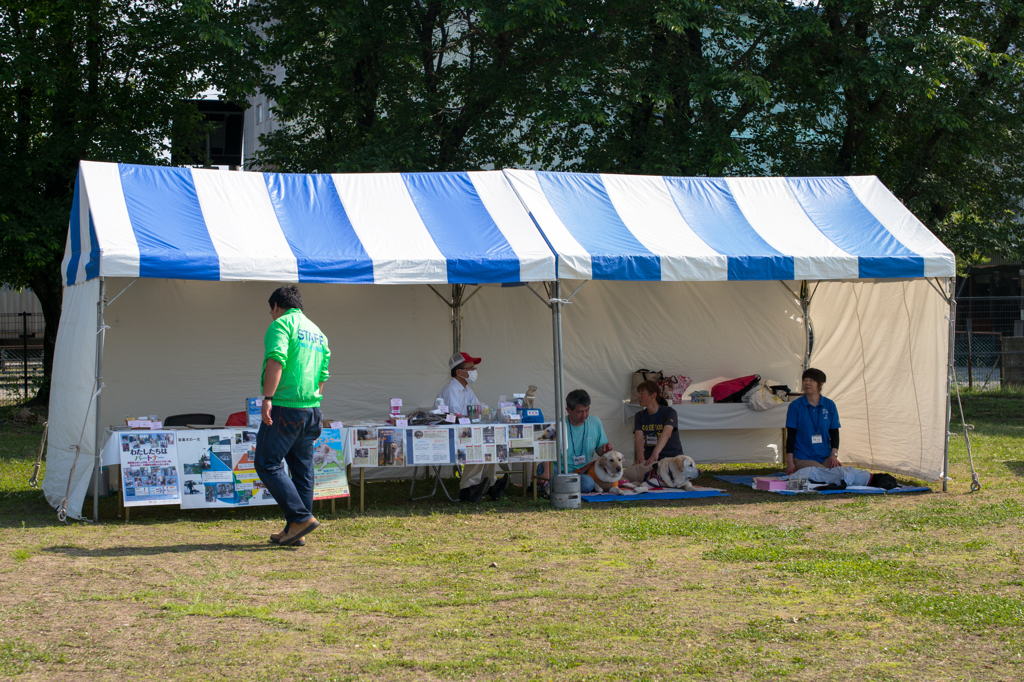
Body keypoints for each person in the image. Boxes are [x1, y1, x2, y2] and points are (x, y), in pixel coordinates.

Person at [254, 285, 330, 547]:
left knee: (267, 463)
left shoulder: (281, 325)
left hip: (286, 407)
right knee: (302, 471)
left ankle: (299, 519)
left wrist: (267, 398)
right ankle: (296, 530)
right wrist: (310, 402)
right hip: (311, 410)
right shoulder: (318, 333)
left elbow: (276, 360)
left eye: (271, 310)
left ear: (276, 306)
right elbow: (323, 377)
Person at [437, 351, 509, 503]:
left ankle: (490, 483)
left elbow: (480, 409)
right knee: (478, 444)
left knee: (489, 442)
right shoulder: (451, 389)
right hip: (449, 434)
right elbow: (454, 417)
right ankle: (468, 488)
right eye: (470, 368)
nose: (474, 371)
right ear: (459, 371)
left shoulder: (466, 389)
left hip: (464, 432)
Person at [540, 389, 613, 494]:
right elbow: (544, 451)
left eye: (587, 410)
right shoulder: (556, 425)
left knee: (588, 484)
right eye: (579, 412)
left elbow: (600, 451)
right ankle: (562, 487)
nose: (584, 415)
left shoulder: (595, 422)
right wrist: (546, 471)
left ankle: (556, 488)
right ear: (568, 410)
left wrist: (604, 450)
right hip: (558, 470)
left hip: (581, 473)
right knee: (545, 472)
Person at [784, 368, 841, 474]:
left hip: (825, 457)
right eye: (805, 380)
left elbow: (834, 432)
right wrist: (790, 462)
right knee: (825, 474)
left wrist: (834, 455)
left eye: (811, 380)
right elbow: (791, 436)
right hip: (803, 457)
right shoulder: (795, 406)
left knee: (842, 473)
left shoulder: (830, 405)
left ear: (821, 384)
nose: (807, 383)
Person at [626, 380, 684, 482]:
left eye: (642, 393)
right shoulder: (640, 416)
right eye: (638, 393)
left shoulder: (669, 412)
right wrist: (641, 460)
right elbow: (639, 438)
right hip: (651, 461)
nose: (638, 396)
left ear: (653, 395)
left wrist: (655, 453)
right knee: (628, 475)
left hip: (671, 458)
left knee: (663, 479)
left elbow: (667, 433)